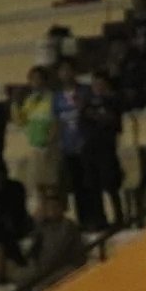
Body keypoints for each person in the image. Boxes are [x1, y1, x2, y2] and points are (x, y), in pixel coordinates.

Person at [53, 59, 103, 231]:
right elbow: (57, 122)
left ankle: (97, 219)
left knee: (91, 183)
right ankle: (84, 220)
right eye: (62, 70)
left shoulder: (85, 91)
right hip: (68, 147)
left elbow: (96, 113)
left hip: (87, 144)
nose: (65, 73)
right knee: (77, 186)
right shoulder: (57, 97)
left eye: (68, 69)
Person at [81, 75, 125, 228]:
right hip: (90, 147)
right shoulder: (86, 104)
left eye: (101, 84)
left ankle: (119, 216)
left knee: (111, 183)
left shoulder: (113, 101)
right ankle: (99, 218)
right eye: (95, 85)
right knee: (93, 185)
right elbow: (83, 122)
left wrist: (95, 115)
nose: (98, 88)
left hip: (106, 147)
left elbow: (113, 121)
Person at [14, 66, 58, 209]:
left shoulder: (52, 98)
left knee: (51, 185)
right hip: (34, 146)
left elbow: (56, 121)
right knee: (38, 185)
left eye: (39, 79)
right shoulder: (30, 100)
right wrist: (16, 104)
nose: (36, 82)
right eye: (33, 79)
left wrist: (51, 140)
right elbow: (21, 121)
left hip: (50, 146)